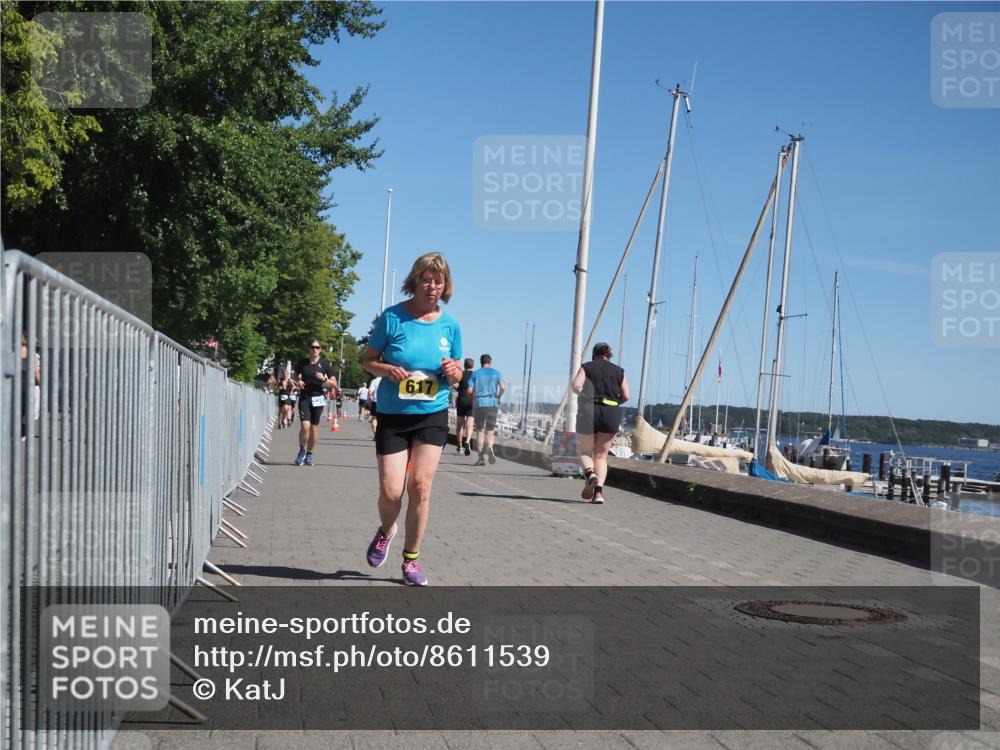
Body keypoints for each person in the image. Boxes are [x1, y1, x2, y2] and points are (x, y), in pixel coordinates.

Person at [362, 252, 463, 587]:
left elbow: (458, 372)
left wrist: (455, 371)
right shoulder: (392, 319)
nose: (433, 286)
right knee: (392, 492)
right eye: (427, 279)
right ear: (416, 281)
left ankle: (411, 560)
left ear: (445, 286)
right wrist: (387, 369)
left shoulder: (451, 325)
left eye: (439, 280)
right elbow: (368, 360)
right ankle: (386, 530)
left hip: (431, 413)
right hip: (393, 414)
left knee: (421, 486)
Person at [571, 342, 630, 504]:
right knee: (601, 456)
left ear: (594, 354)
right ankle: (598, 494)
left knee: (584, 452)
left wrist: (584, 395)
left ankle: (590, 474)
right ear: (608, 355)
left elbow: (576, 386)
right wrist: (614, 402)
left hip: (589, 410)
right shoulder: (619, 371)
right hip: (610, 412)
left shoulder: (587, 367)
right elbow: (626, 396)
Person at [293, 340, 337, 466]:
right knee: (305, 426)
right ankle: (302, 450)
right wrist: (298, 382)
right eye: (312, 347)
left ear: (321, 349)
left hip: (318, 398)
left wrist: (324, 379)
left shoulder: (325, 365)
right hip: (305, 398)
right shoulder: (302, 363)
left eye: (317, 347)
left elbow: (335, 384)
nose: (315, 349)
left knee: (313, 428)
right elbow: (295, 376)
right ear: (309, 349)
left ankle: (310, 454)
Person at [468, 354, 504, 466]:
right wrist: (498, 397)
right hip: (492, 403)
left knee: (480, 431)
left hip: (479, 403)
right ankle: (489, 447)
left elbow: (469, 390)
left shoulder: (476, 373)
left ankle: (481, 458)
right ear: (490, 362)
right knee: (490, 430)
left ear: (481, 362)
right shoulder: (496, 373)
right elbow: (503, 386)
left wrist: (473, 399)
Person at [454, 358, 475, 455]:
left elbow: (455, 385)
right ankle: (468, 441)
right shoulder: (476, 375)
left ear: (465, 365)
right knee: (469, 425)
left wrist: (459, 389)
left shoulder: (461, 374)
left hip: (461, 400)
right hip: (472, 401)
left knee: (459, 426)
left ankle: (459, 446)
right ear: (473, 366)